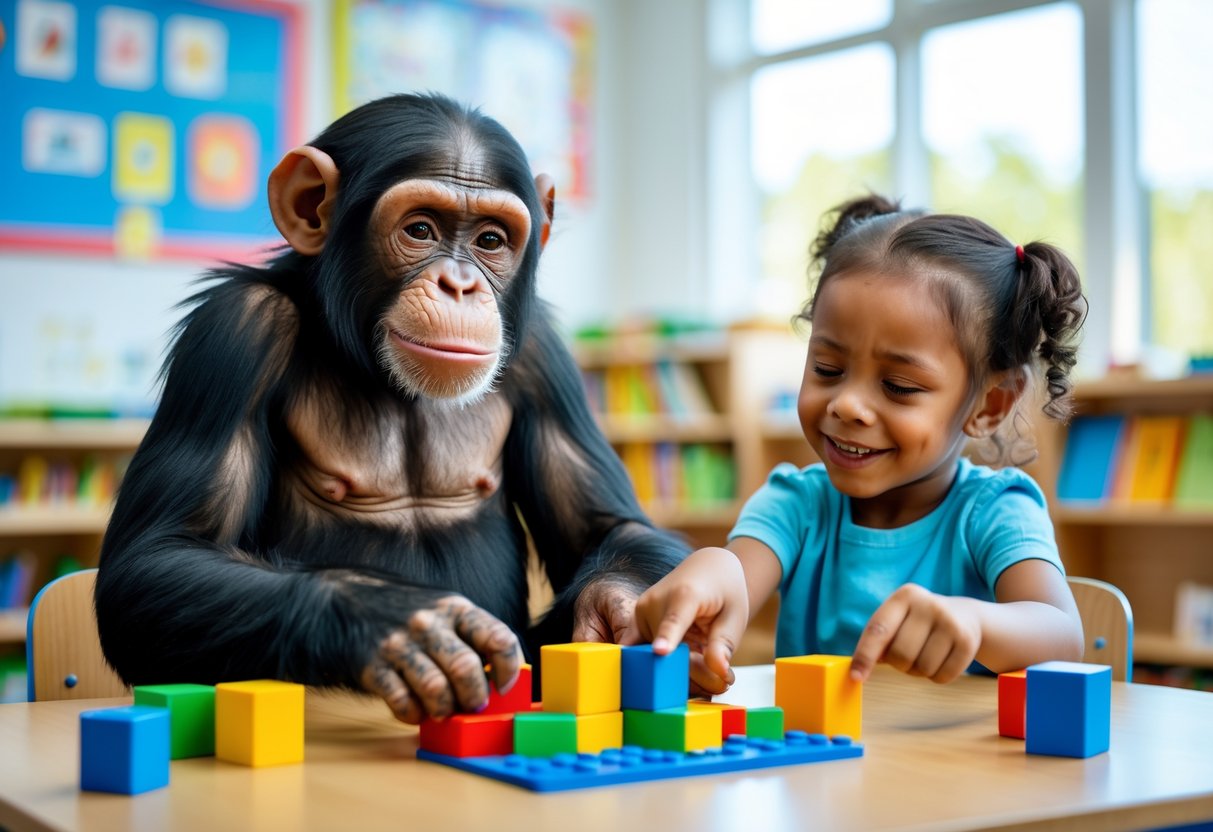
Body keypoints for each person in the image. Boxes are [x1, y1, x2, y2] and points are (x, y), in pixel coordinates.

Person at [634, 194, 1087, 694]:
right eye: (827, 369)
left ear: (990, 405)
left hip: (958, 770)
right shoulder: (796, 505)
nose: (847, 404)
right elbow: (735, 582)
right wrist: (714, 572)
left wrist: (977, 623)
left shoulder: (995, 512)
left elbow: (1063, 635)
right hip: (819, 768)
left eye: (899, 386)